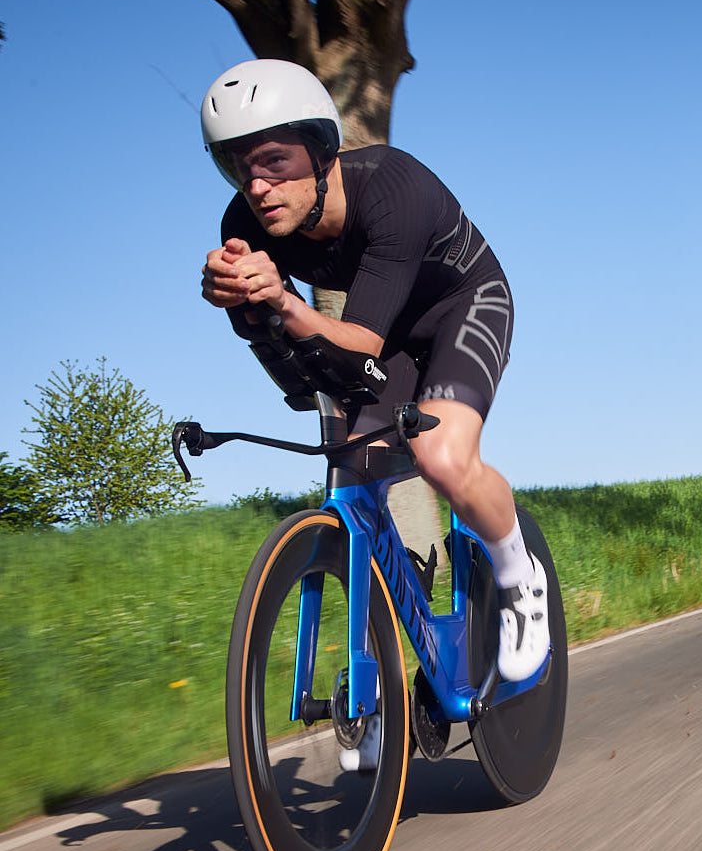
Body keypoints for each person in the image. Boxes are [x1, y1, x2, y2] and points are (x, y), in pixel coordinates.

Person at [199, 58, 548, 683]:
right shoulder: (244, 225)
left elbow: (358, 343)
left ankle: (520, 577)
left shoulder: (392, 185)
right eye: (238, 167)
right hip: (384, 336)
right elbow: (297, 359)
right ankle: (398, 630)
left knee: (441, 456)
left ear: (321, 151)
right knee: (354, 464)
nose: (257, 187)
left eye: (274, 161)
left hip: (463, 305)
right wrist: (244, 309)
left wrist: (284, 303)